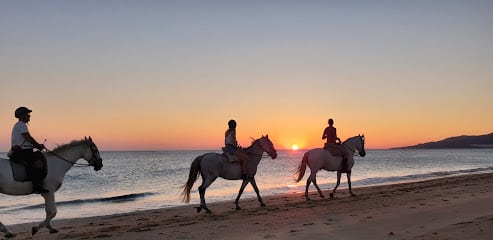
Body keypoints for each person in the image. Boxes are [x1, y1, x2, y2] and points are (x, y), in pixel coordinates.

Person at [10, 106, 48, 193]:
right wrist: (38, 145)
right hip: (22, 152)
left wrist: (36, 145)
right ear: (22, 116)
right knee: (38, 162)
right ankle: (36, 187)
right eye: (27, 114)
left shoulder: (19, 125)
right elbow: (28, 138)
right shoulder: (21, 125)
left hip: (23, 151)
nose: (29, 116)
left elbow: (27, 142)